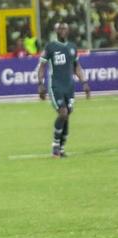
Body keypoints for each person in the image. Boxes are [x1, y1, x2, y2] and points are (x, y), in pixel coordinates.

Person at [36, 22, 91, 158]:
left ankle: (61, 147)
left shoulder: (72, 47)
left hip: (69, 86)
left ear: (68, 31)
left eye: (65, 28)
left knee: (67, 115)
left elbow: (77, 67)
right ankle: (55, 146)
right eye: (60, 29)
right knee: (63, 112)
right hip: (56, 86)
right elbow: (42, 66)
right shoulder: (50, 47)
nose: (63, 30)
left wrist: (84, 82)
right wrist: (40, 84)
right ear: (56, 31)